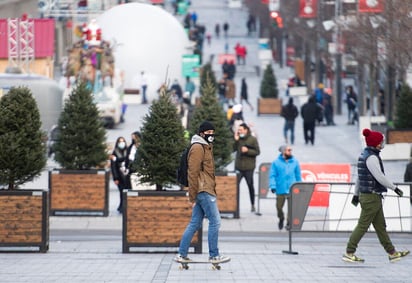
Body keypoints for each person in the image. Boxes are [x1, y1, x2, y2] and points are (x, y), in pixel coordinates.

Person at [342, 128, 410, 263]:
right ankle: (349, 252)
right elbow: (379, 176)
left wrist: (356, 195)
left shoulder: (364, 155)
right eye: (381, 141)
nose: (383, 143)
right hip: (371, 197)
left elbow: (359, 179)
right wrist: (394, 188)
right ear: (376, 143)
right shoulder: (372, 157)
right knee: (363, 225)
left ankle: (392, 253)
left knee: (380, 226)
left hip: (370, 196)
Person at [175, 121, 230, 264]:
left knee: (195, 223)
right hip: (203, 190)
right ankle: (214, 256)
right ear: (201, 134)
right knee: (215, 222)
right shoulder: (198, 148)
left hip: (205, 189)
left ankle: (181, 254)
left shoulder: (206, 147)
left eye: (213, 133)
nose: (211, 135)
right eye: (208, 133)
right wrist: (192, 196)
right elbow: (192, 173)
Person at [269, 145, 302, 230]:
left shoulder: (295, 162)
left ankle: (288, 222)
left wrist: (299, 185)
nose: (290, 152)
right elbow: (272, 175)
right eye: (288, 150)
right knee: (279, 207)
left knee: (291, 207)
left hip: (292, 188)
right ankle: (281, 218)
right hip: (281, 188)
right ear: (283, 151)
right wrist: (273, 186)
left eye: (291, 150)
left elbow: (298, 175)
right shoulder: (276, 163)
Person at [233, 123, 260, 212]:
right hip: (239, 166)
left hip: (249, 167)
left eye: (240, 130)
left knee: (250, 185)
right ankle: (234, 205)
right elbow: (232, 149)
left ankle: (252, 204)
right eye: (238, 130)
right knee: (235, 186)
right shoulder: (238, 139)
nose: (239, 131)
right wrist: (236, 140)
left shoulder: (252, 139)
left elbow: (257, 151)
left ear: (246, 130)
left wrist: (248, 151)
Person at [110, 136, 129, 213]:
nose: (122, 143)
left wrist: (117, 159)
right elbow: (113, 167)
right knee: (121, 192)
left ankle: (125, 206)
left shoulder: (127, 151)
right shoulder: (115, 152)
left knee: (127, 192)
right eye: (120, 142)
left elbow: (127, 159)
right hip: (120, 176)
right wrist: (115, 178)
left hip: (127, 176)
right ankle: (121, 206)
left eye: (123, 141)